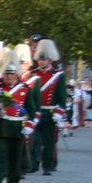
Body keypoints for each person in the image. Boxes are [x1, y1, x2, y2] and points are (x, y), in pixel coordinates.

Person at [0, 60, 37, 183]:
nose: (9, 76)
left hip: (18, 127)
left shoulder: (25, 88)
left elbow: (32, 110)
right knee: (0, 155)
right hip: (1, 125)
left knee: (16, 158)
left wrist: (29, 125)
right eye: (6, 74)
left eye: (11, 74)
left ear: (16, 75)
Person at [28, 42, 66, 175]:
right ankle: (32, 164)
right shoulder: (32, 74)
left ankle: (48, 165)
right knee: (33, 141)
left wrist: (59, 112)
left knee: (49, 142)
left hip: (50, 112)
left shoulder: (58, 75)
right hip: (36, 112)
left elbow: (62, 97)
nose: (41, 62)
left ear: (50, 60)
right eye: (39, 59)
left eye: (43, 59)